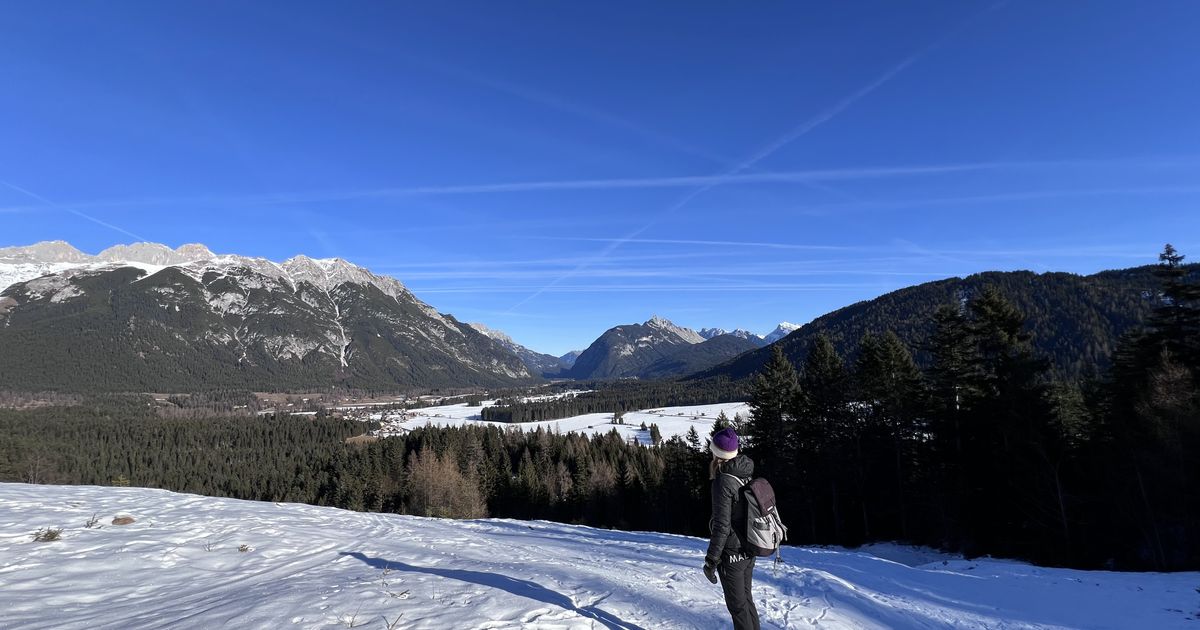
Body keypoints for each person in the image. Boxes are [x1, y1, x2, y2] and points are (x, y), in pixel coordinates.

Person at [703, 427, 760, 630]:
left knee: (738, 608)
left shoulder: (723, 481)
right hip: (749, 546)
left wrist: (711, 559)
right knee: (746, 602)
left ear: (716, 452)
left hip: (732, 552)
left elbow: (722, 525)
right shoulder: (744, 471)